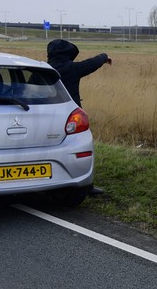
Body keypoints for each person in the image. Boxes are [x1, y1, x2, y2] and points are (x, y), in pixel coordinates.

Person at [47, 39, 112, 195]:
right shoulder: (72, 69)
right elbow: (92, 63)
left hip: (44, 117)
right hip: (69, 117)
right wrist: (104, 56)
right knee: (77, 148)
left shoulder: (43, 70)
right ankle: (84, 185)